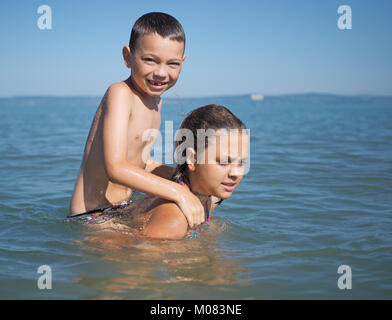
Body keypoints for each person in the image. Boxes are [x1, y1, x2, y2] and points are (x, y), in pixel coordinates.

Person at [69, 12, 205, 228]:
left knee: (194, 217)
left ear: (183, 62)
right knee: (152, 253)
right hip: (92, 216)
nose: (161, 72)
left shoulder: (155, 102)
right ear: (128, 57)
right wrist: (178, 192)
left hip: (122, 209)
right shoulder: (120, 93)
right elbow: (115, 167)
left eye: (173, 64)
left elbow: (140, 162)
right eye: (150, 60)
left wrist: (183, 178)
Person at [140, 104, 249, 240]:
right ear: (192, 159)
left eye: (241, 162)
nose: (236, 173)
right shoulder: (174, 220)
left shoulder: (210, 199)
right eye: (223, 162)